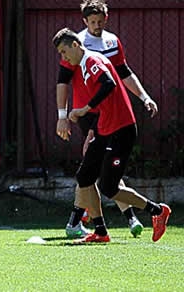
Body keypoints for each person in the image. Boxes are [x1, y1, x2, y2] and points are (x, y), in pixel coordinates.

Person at [52, 28, 171, 243]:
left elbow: (109, 84)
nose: (64, 57)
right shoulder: (84, 64)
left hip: (121, 130)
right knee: (85, 177)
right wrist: (90, 126)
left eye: (64, 51)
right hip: (104, 128)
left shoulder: (91, 61)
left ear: (76, 45)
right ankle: (100, 231)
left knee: (109, 187)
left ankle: (157, 211)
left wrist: (84, 109)